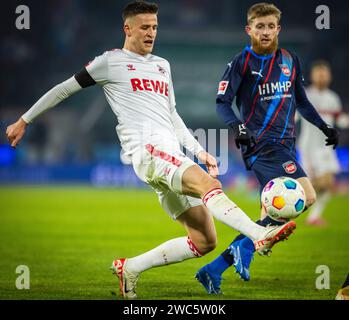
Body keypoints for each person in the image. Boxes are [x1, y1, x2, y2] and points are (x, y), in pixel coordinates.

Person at [6, 1, 296, 300]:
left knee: (204, 240)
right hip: (147, 149)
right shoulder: (109, 62)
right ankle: (259, 234)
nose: (151, 33)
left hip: (169, 152)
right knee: (209, 184)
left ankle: (130, 268)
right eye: (145, 27)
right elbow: (64, 88)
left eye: (155, 27)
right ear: (127, 28)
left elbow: (172, 115)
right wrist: (24, 120)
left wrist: (200, 152)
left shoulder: (162, 65)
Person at [195, 2, 339, 294]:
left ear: (278, 29)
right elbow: (222, 103)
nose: (265, 31)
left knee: (274, 213)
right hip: (261, 145)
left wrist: (323, 126)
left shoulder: (290, 59)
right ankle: (244, 250)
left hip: (285, 146)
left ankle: (217, 267)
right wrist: (239, 128)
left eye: (270, 26)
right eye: (259, 26)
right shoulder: (241, 63)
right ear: (249, 29)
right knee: (306, 197)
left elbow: (301, 100)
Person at [298, 60, 343, 226]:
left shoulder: (333, 98)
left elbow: (339, 120)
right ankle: (291, 191)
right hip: (309, 146)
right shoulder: (306, 95)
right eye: (319, 74)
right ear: (313, 76)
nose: (322, 77)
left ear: (329, 77)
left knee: (328, 183)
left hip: (327, 146)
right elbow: (294, 115)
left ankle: (313, 217)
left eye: (324, 74)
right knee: (316, 183)